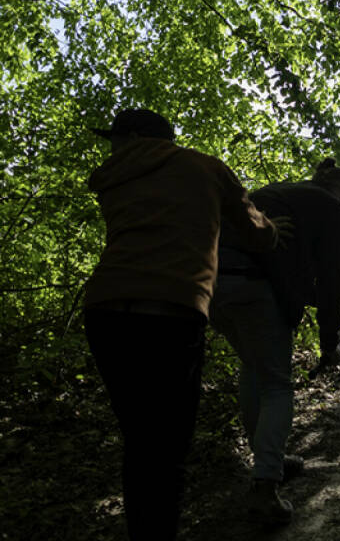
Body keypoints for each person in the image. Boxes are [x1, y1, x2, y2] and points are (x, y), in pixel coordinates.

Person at [83, 108, 283, 540]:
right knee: (169, 447)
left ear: (133, 137)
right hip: (173, 310)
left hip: (105, 311)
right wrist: (273, 231)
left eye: (115, 138)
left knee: (140, 439)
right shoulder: (204, 166)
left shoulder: (112, 178)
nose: (113, 147)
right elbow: (255, 233)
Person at [210, 157, 340, 525]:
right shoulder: (333, 209)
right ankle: (265, 487)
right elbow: (331, 282)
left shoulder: (278, 193)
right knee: (277, 385)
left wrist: (304, 300)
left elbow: (281, 262)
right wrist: (329, 343)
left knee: (254, 368)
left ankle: (268, 459)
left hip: (212, 285)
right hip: (251, 287)